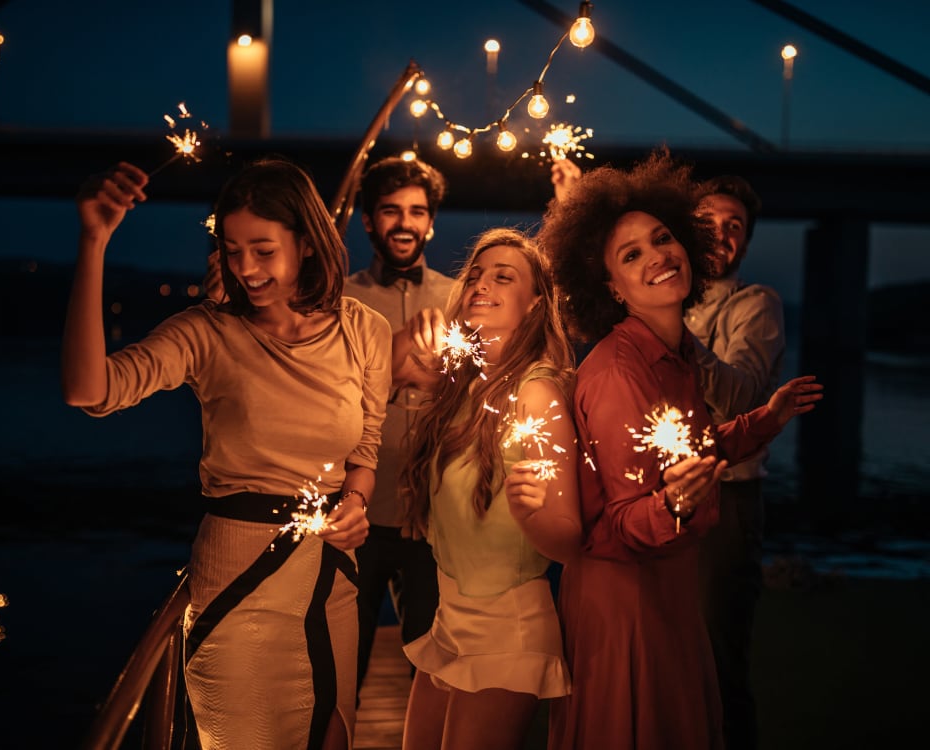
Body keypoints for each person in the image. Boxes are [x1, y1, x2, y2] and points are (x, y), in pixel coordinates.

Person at [61, 157, 391, 749]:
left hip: (331, 582)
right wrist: (94, 242)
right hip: (238, 583)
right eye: (233, 250)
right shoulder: (204, 333)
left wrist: (357, 504)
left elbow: (366, 444)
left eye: (263, 250)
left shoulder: (363, 330)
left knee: (332, 738)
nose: (245, 268)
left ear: (308, 244)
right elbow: (90, 390)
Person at [538, 150, 822, 749]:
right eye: (631, 254)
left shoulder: (677, 354)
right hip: (627, 601)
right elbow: (621, 516)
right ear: (609, 287)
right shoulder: (618, 372)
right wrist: (672, 506)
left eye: (663, 238)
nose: (659, 256)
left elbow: (689, 453)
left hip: (666, 583)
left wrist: (760, 423)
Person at [394, 227, 582, 750]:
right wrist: (401, 353)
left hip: (508, 629)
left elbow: (569, 541)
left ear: (534, 303)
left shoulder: (537, 393)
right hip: (450, 620)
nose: (481, 283)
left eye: (504, 277)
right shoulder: (462, 385)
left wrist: (532, 514)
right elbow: (362, 390)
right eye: (475, 274)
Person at [344, 156, 456, 694]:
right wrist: (395, 359)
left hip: (435, 516)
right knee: (342, 665)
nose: (405, 223)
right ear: (368, 221)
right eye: (390, 211)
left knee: (433, 672)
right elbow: (328, 403)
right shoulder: (337, 301)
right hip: (354, 512)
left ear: (431, 221)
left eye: (417, 211)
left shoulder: (461, 299)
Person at [686, 175, 785, 750]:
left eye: (734, 227)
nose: (720, 237)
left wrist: (669, 323)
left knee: (717, 668)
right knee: (665, 662)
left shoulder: (757, 305)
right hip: (659, 500)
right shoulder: (659, 299)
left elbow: (741, 399)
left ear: (744, 243)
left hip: (727, 507)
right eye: (708, 225)